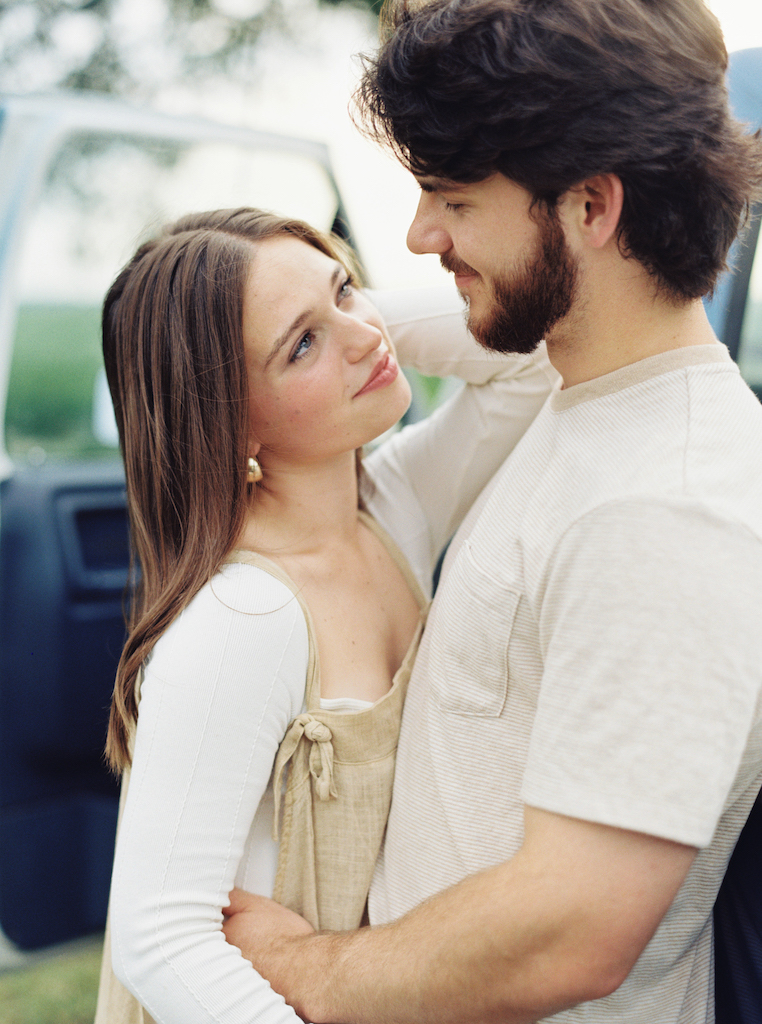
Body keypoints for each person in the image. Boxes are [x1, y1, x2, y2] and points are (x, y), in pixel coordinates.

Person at [219, 2, 762, 1022]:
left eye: (453, 201)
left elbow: (574, 926)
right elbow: (484, 345)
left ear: (591, 208)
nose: (423, 236)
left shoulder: (667, 506)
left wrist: (309, 971)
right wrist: (317, 330)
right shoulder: (586, 397)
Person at [92, 206, 555, 1024]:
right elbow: (160, 938)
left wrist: (322, 309)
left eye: (349, 291)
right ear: (231, 419)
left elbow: (533, 360)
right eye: (300, 345)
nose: (365, 336)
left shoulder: (390, 507)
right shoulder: (243, 617)